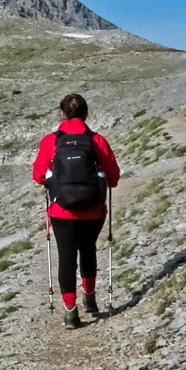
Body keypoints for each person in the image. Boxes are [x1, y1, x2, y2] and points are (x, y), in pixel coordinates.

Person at [32, 93, 120, 329]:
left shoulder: (51, 141)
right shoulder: (97, 140)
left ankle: (71, 311)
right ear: (86, 114)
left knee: (66, 257)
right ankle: (90, 297)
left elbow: (38, 175)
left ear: (62, 114)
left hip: (61, 211)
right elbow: (113, 177)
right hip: (93, 210)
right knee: (88, 249)